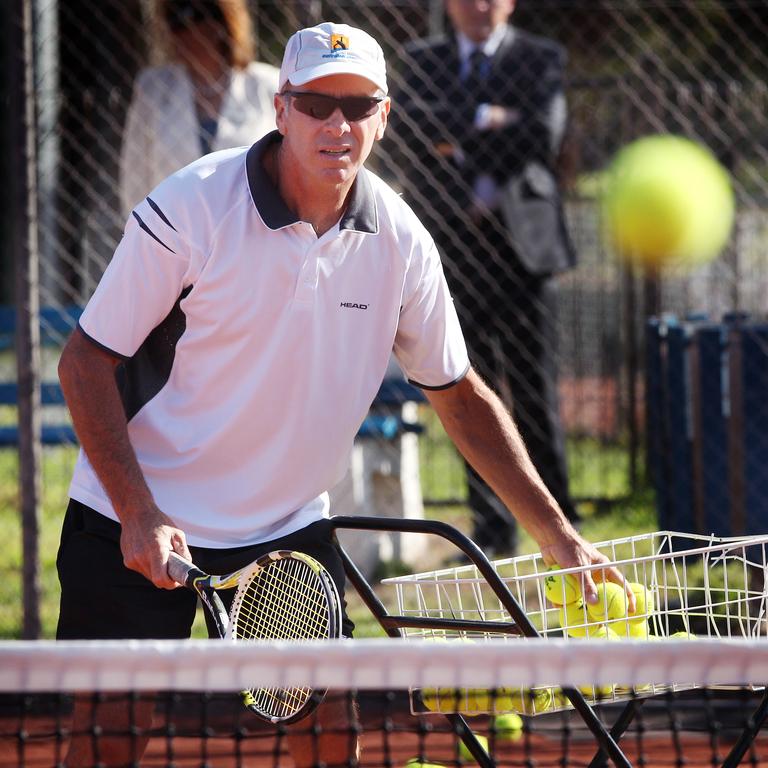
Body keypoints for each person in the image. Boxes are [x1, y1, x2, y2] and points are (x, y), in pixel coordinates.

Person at [57, 21, 625, 767]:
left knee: (329, 738)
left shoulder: (400, 240)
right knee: (109, 741)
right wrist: (138, 513)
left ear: (383, 117)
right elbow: (84, 363)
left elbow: (458, 394)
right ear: (282, 108)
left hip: (287, 529)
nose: (338, 124)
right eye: (318, 103)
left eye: (358, 106)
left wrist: (558, 535)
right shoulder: (192, 207)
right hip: (133, 519)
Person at [389, 0, 580, 558]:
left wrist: (454, 130)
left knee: (534, 390)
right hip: (452, 250)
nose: (479, 6)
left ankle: (560, 522)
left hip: (522, 251)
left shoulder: (540, 57)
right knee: (461, 385)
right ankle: (493, 528)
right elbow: (406, 133)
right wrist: (488, 118)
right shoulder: (420, 59)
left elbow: (540, 136)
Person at [119, 0, 279, 217]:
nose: (186, 29)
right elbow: (134, 179)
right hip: (174, 234)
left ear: (225, 22)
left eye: (198, 15)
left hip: (250, 232)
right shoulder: (153, 88)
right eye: (175, 18)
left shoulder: (267, 86)